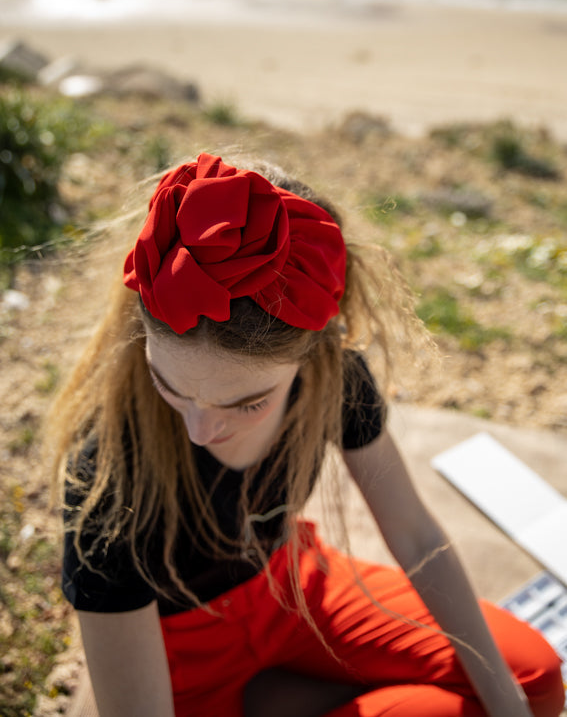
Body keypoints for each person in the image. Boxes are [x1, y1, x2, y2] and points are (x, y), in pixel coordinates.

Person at [50, 153, 564, 717]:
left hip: (291, 587)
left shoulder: (333, 377)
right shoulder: (106, 480)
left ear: (311, 354)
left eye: (247, 402)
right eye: (168, 385)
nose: (200, 430)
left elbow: (415, 536)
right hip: (180, 654)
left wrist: (506, 702)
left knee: (532, 680)